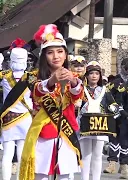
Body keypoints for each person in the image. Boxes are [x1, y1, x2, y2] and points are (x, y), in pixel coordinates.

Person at [19, 24, 84, 180]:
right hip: (44, 133)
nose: (56, 56)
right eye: (50, 52)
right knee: (40, 174)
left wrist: (74, 82)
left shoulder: (73, 76)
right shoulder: (33, 76)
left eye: (60, 51)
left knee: (65, 175)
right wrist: (51, 81)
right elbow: (37, 92)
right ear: (43, 56)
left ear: (66, 55)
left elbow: (77, 96)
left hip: (66, 133)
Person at [77, 61, 119, 180]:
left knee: (97, 155)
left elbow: (114, 105)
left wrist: (113, 108)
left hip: (101, 125)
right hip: (85, 125)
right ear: (87, 75)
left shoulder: (105, 90)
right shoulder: (81, 89)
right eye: (91, 73)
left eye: (97, 73)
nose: (94, 76)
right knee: (85, 155)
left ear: (100, 76)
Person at [0, 38, 33, 180]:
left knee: (7, 154)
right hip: (26, 117)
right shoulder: (32, 77)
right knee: (21, 153)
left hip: (8, 117)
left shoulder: (4, 76)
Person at [103, 57, 128, 174]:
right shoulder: (114, 82)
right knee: (114, 138)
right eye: (126, 67)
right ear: (122, 67)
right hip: (116, 114)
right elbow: (107, 97)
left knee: (126, 140)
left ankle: (124, 165)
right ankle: (112, 164)